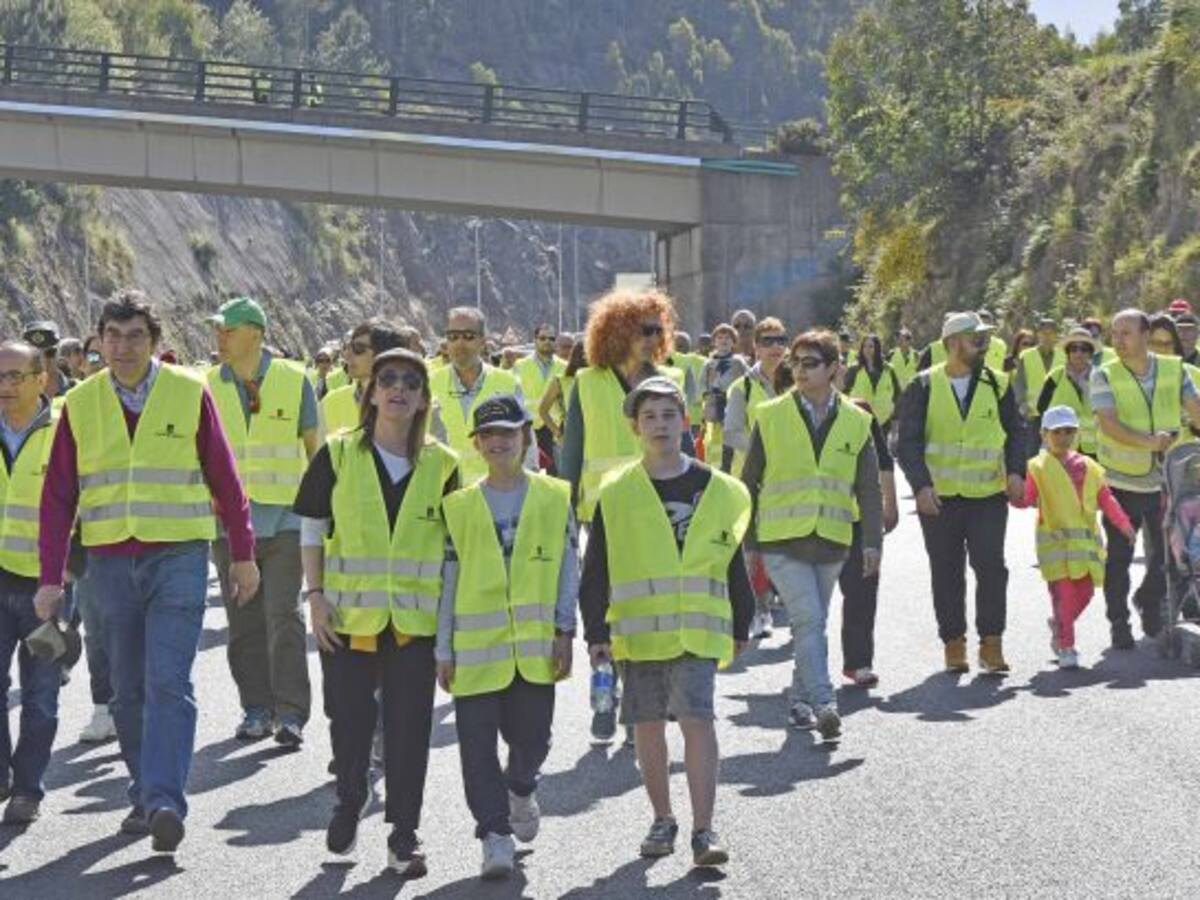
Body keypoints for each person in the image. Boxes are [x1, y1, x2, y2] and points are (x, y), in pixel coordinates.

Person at [36, 290, 259, 853]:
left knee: (169, 682)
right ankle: (143, 789)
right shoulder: (80, 402)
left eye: (135, 336)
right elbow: (58, 495)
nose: (123, 346)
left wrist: (243, 552)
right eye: (112, 335)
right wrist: (50, 576)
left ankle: (164, 800)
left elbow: (225, 476)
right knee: (128, 690)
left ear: (155, 342)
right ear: (97, 342)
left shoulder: (189, 391)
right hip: (109, 562)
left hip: (178, 556)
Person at [294, 348, 458, 876]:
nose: (399, 389)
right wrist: (315, 596)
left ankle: (403, 836)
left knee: (410, 732)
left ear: (424, 399)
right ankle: (349, 797)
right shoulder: (338, 455)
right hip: (347, 619)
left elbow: (455, 553)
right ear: (370, 393)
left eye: (412, 382)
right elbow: (313, 527)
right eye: (387, 380)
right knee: (349, 724)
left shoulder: (443, 465)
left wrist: (450, 635)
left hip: (414, 625)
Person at [582, 377, 753, 869]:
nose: (660, 425)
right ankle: (662, 818)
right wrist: (596, 632)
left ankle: (704, 829)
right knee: (647, 727)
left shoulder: (720, 489)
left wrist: (742, 622)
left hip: (698, 630)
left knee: (698, 719)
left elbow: (731, 561)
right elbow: (597, 569)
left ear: (686, 421)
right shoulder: (616, 493)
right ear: (635, 427)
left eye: (668, 414)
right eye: (649, 417)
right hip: (638, 632)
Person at [436, 395, 578, 880]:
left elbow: (567, 569)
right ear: (476, 444)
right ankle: (493, 834)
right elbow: (448, 582)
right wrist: (443, 648)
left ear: (525, 438)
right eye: (489, 435)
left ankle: (521, 787)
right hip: (475, 653)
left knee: (533, 739)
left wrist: (565, 629)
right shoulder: (456, 507)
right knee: (475, 749)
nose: (498, 442)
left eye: (508, 433)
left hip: (537, 649)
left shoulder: (556, 496)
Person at [741, 331, 882, 736]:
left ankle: (799, 700)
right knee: (808, 617)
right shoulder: (770, 415)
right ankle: (824, 702)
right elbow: (749, 482)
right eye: (796, 362)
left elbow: (868, 488)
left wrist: (872, 542)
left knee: (811, 624)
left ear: (835, 369)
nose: (799, 370)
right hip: (781, 540)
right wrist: (750, 541)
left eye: (810, 363)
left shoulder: (858, 421)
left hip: (833, 539)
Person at [207, 297, 318, 745]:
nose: (219, 337)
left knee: (284, 617)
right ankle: (256, 708)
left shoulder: (296, 381)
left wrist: (319, 520)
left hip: (286, 521)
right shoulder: (209, 384)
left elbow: (315, 450)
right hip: (229, 527)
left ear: (254, 332)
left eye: (226, 329)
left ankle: (290, 713)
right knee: (243, 622)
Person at [896, 311, 1026, 674]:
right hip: (939, 499)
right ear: (952, 344)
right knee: (947, 571)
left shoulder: (999, 384)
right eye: (976, 339)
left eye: (985, 338)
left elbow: (1017, 432)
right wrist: (920, 486)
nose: (984, 345)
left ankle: (992, 644)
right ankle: (954, 644)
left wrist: (1016, 472)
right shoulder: (923, 385)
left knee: (992, 568)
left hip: (987, 495)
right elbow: (907, 443)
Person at [1090, 308, 1200, 648]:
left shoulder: (1174, 369)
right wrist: (1149, 442)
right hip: (1120, 482)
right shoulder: (1104, 374)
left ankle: (1148, 600)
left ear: (1145, 334)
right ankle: (1118, 623)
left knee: (1169, 553)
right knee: (1120, 557)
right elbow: (1108, 423)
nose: (1118, 341)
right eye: (1114, 334)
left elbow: (1196, 407)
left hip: (1165, 480)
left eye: (1125, 333)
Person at [1019, 406, 1134, 669]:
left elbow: (1107, 499)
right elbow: (1026, 499)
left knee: (1085, 594)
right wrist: (1007, 488)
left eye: (1069, 431)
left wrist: (1124, 524)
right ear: (1044, 434)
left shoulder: (1090, 467)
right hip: (1056, 547)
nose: (1063, 437)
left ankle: (1060, 623)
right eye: (1057, 432)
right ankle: (1067, 646)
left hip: (1086, 547)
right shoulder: (1037, 467)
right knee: (1065, 597)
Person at [0, 341, 61, 824]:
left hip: (47, 586)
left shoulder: (66, 434)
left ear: (43, 380)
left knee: (40, 695)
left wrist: (65, 578)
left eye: (17, 376)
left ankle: (27, 788)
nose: (6, 385)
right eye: (0, 376)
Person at [723, 318, 787, 640]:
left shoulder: (797, 383)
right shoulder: (742, 388)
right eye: (769, 341)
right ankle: (760, 610)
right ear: (756, 347)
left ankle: (786, 597)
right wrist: (765, 450)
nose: (776, 347)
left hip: (792, 481)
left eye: (781, 340)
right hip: (751, 480)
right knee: (755, 548)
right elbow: (732, 432)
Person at [838, 396, 899, 688]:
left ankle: (859, 663)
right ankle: (808, 667)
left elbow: (884, 462)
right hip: (817, 523)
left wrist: (891, 505)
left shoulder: (861, 412)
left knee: (862, 592)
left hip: (861, 521)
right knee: (812, 604)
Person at [430, 307, 526, 485]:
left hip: (495, 492)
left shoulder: (508, 383)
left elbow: (526, 443)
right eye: (453, 336)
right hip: (443, 492)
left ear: (483, 341)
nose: (460, 343)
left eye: (468, 336)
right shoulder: (428, 384)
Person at [320, 320, 410, 435]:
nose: (347, 355)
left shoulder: (419, 405)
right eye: (347, 347)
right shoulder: (331, 403)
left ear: (385, 355)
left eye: (358, 348)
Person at [1037, 327, 1100, 457]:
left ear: (1090, 353)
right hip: (1061, 446)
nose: (1079, 353)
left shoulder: (1101, 376)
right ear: (1068, 352)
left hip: (1094, 449)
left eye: (1084, 349)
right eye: (1074, 349)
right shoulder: (1055, 376)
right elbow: (1041, 407)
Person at [513, 324, 566, 476]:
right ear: (535, 340)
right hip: (528, 427)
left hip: (553, 427)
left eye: (551, 338)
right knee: (528, 473)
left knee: (556, 474)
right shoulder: (520, 365)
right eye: (542, 338)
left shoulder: (564, 367)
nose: (547, 342)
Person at [699, 324, 750, 471]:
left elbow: (748, 380)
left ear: (733, 342)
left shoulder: (738, 362)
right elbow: (702, 384)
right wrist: (706, 395)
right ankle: (714, 466)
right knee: (714, 440)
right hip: (714, 405)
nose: (723, 341)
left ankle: (732, 465)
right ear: (714, 342)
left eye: (728, 338)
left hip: (733, 403)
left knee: (732, 436)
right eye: (720, 338)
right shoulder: (708, 364)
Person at [1015, 317, 1064, 458]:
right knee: (1032, 453)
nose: (1047, 336)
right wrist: (1023, 404)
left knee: (1057, 453)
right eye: (1044, 333)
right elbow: (1019, 383)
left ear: (1056, 335)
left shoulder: (1064, 355)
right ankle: (1032, 480)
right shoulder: (1027, 355)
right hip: (1033, 413)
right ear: (1038, 335)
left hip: (1057, 413)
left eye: (1051, 333)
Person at [843, 335, 902, 431]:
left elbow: (897, 393)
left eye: (871, 346)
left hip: (884, 420)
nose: (867, 349)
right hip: (860, 418)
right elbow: (844, 392)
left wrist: (895, 416)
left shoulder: (888, 369)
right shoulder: (854, 369)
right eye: (864, 346)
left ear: (877, 348)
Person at [22, 321, 74, 399]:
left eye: (50, 354)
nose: (44, 361)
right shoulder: (14, 394)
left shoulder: (77, 389)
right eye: (35, 356)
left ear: (59, 353)